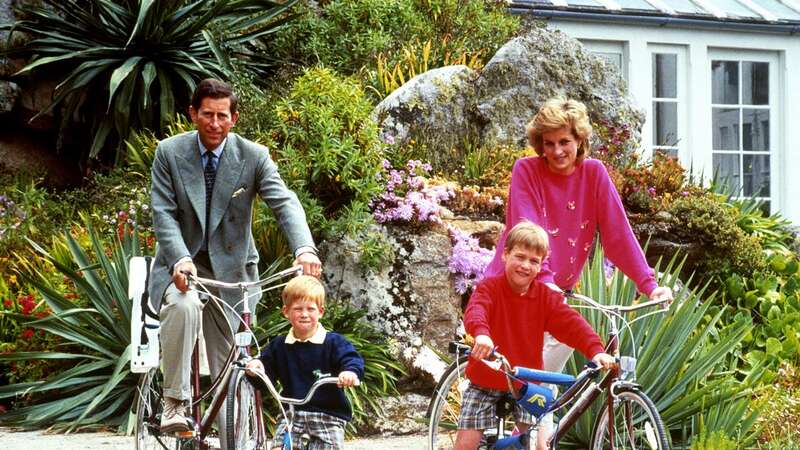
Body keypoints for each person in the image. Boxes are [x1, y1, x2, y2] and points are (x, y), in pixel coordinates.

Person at [482, 97, 673, 446]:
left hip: (556, 296)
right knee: (520, 392)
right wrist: (546, 280)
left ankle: (532, 440)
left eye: (564, 142)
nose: (556, 151)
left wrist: (649, 285)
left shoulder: (594, 174)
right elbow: (526, 228)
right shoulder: (526, 171)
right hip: (517, 290)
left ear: (579, 140)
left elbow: (617, 235)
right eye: (549, 143)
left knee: (545, 392)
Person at [148, 78, 322, 441]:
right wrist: (180, 258)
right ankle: (175, 403)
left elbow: (284, 201)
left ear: (234, 118)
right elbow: (163, 213)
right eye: (207, 114)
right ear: (193, 114)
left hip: (231, 273)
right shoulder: (169, 152)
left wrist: (304, 248)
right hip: (182, 266)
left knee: (233, 367)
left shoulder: (253, 156)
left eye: (222, 116)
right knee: (183, 305)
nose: (214, 123)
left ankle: (234, 440)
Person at [454, 221, 616, 450]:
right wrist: (482, 335)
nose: (525, 266)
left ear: (541, 266)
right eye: (519, 257)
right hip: (485, 380)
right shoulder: (490, 288)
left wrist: (596, 350)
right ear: (505, 254)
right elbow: (476, 310)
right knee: (465, 445)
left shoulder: (545, 298)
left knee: (533, 444)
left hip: (524, 383)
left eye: (534, 261)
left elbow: (572, 324)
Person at [246, 275, 364, 450]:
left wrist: (349, 373)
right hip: (293, 414)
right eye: (298, 309)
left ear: (321, 312)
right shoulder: (280, 345)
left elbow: (351, 359)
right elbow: (266, 370)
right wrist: (256, 368)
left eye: (310, 309)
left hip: (328, 415)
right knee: (279, 448)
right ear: (286, 312)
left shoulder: (333, 342)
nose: (304, 314)